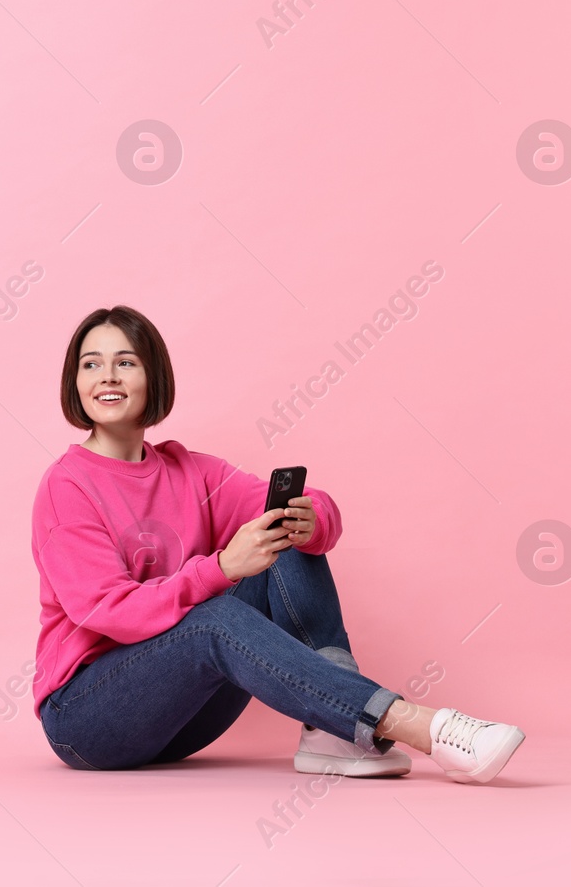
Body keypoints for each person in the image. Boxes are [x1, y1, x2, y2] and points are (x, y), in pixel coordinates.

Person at [30, 305, 525, 782]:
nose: (107, 377)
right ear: (75, 383)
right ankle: (413, 723)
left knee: (280, 526)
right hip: (88, 720)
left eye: (126, 363)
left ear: (153, 377)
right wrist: (222, 568)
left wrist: (313, 522)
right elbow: (109, 611)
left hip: (182, 720)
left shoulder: (190, 470)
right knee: (215, 615)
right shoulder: (66, 486)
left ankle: (332, 733)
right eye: (91, 364)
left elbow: (310, 504)